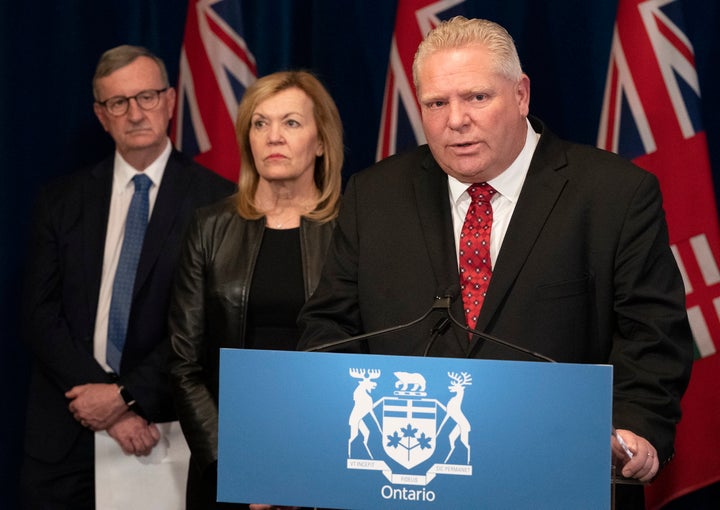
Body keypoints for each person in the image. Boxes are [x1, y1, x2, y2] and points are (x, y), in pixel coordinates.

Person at [297, 16, 693, 508]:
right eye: (436, 103)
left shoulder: (613, 194)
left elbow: (653, 336)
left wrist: (635, 425)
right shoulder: (374, 195)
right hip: (405, 483)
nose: (455, 120)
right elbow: (330, 328)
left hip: (555, 480)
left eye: (476, 98)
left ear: (521, 95)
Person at [20, 45, 236, 509]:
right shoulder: (61, 200)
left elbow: (204, 328)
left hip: (163, 430)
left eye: (147, 97)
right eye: (118, 102)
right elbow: (40, 314)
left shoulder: (220, 203)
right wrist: (106, 407)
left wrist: (126, 396)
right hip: (66, 428)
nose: (135, 113)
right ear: (101, 115)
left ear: (171, 101)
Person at [168, 70, 343, 510]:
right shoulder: (209, 227)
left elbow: (367, 353)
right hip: (227, 466)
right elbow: (184, 365)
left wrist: (303, 465)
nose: (273, 137)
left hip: (325, 462)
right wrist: (239, 464)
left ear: (321, 142)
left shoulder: (352, 230)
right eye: (260, 123)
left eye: (291, 123)